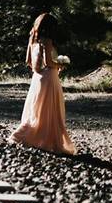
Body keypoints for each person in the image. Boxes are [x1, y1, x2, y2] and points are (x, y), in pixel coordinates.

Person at [11, 13, 75, 154]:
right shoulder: (47, 41)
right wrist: (60, 64)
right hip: (48, 78)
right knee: (50, 109)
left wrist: (37, 68)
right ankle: (47, 140)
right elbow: (49, 62)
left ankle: (25, 135)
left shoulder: (32, 40)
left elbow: (28, 61)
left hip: (37, 78)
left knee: (37, 109)